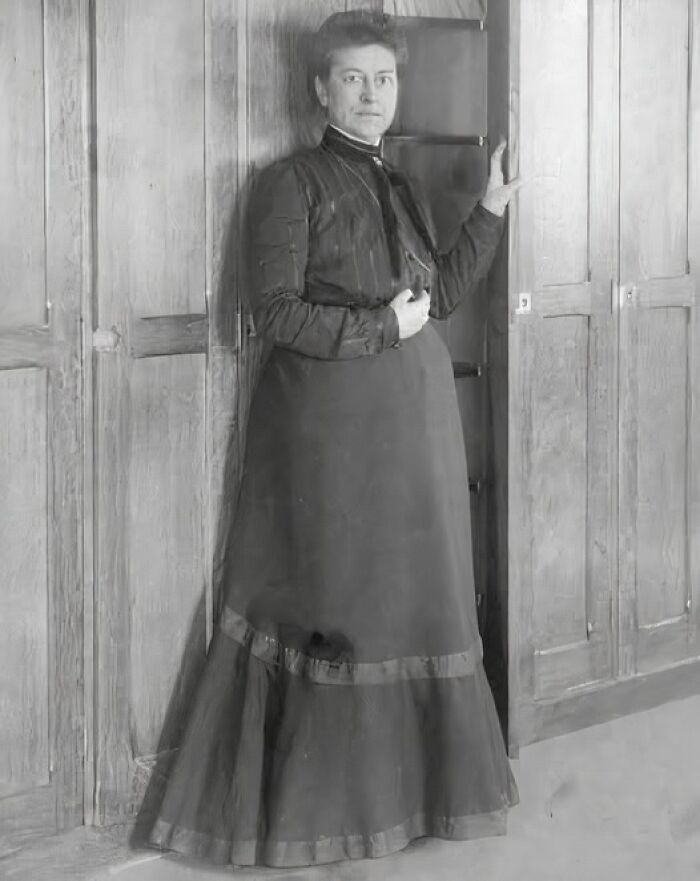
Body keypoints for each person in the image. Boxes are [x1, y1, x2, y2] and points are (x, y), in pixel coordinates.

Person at [147, 9, 521, 869]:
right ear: (320, 88)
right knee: (343, 606)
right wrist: (381, 331)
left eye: (383, 79)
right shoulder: (290, 183)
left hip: (416, 433)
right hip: (332, 435)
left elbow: (442, 297)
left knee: (408, 602)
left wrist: (492, 206)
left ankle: (411, 801)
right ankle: (328, 816)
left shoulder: (404, 188)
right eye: (352, 79)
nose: (370, 96)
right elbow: (275, 312)